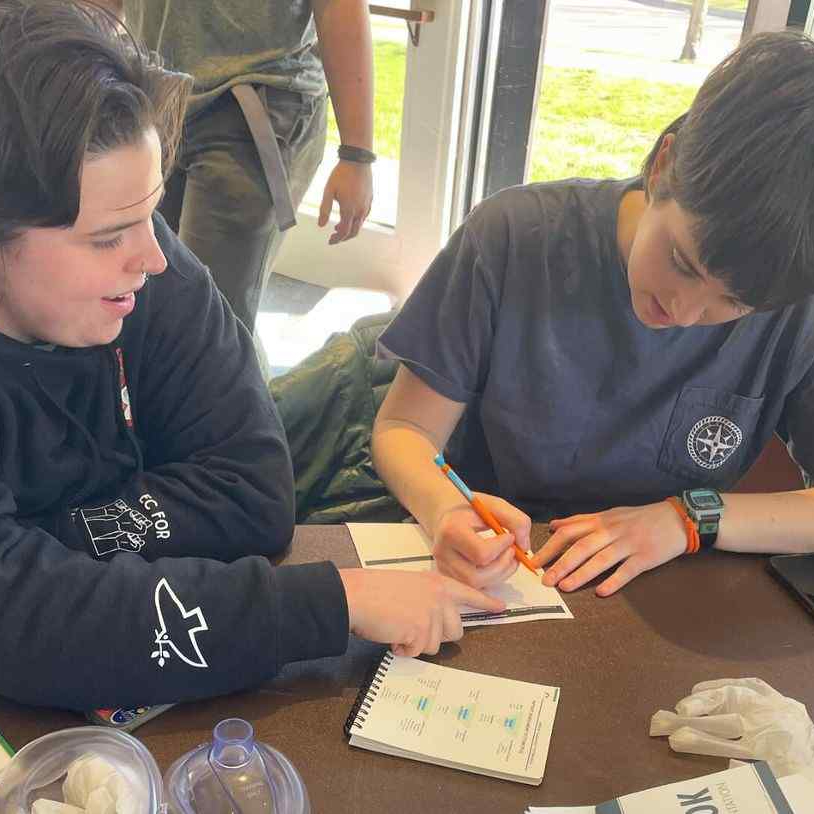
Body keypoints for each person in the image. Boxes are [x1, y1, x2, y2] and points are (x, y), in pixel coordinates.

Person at [0, 0, 501, 713]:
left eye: (152, 214)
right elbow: (24, 627)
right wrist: (330, 603)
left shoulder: (154, 273)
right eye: (107, 237)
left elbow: (255, 494)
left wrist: (48, 542)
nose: (152, 258)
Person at [371, 31, 814, 600]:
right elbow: (404, 429)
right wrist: (446, 510)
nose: (684, 312)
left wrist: (689, 518)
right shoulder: (514, 238)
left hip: (670, 591)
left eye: (733, 304)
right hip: (503, 567)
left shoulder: (794, 303)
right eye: (681, 262)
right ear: (662, 166)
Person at [109, 0, 375, 333]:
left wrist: (356, 154)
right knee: (147, 298)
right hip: (158, 97)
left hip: (254, 104)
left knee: (211, 319)